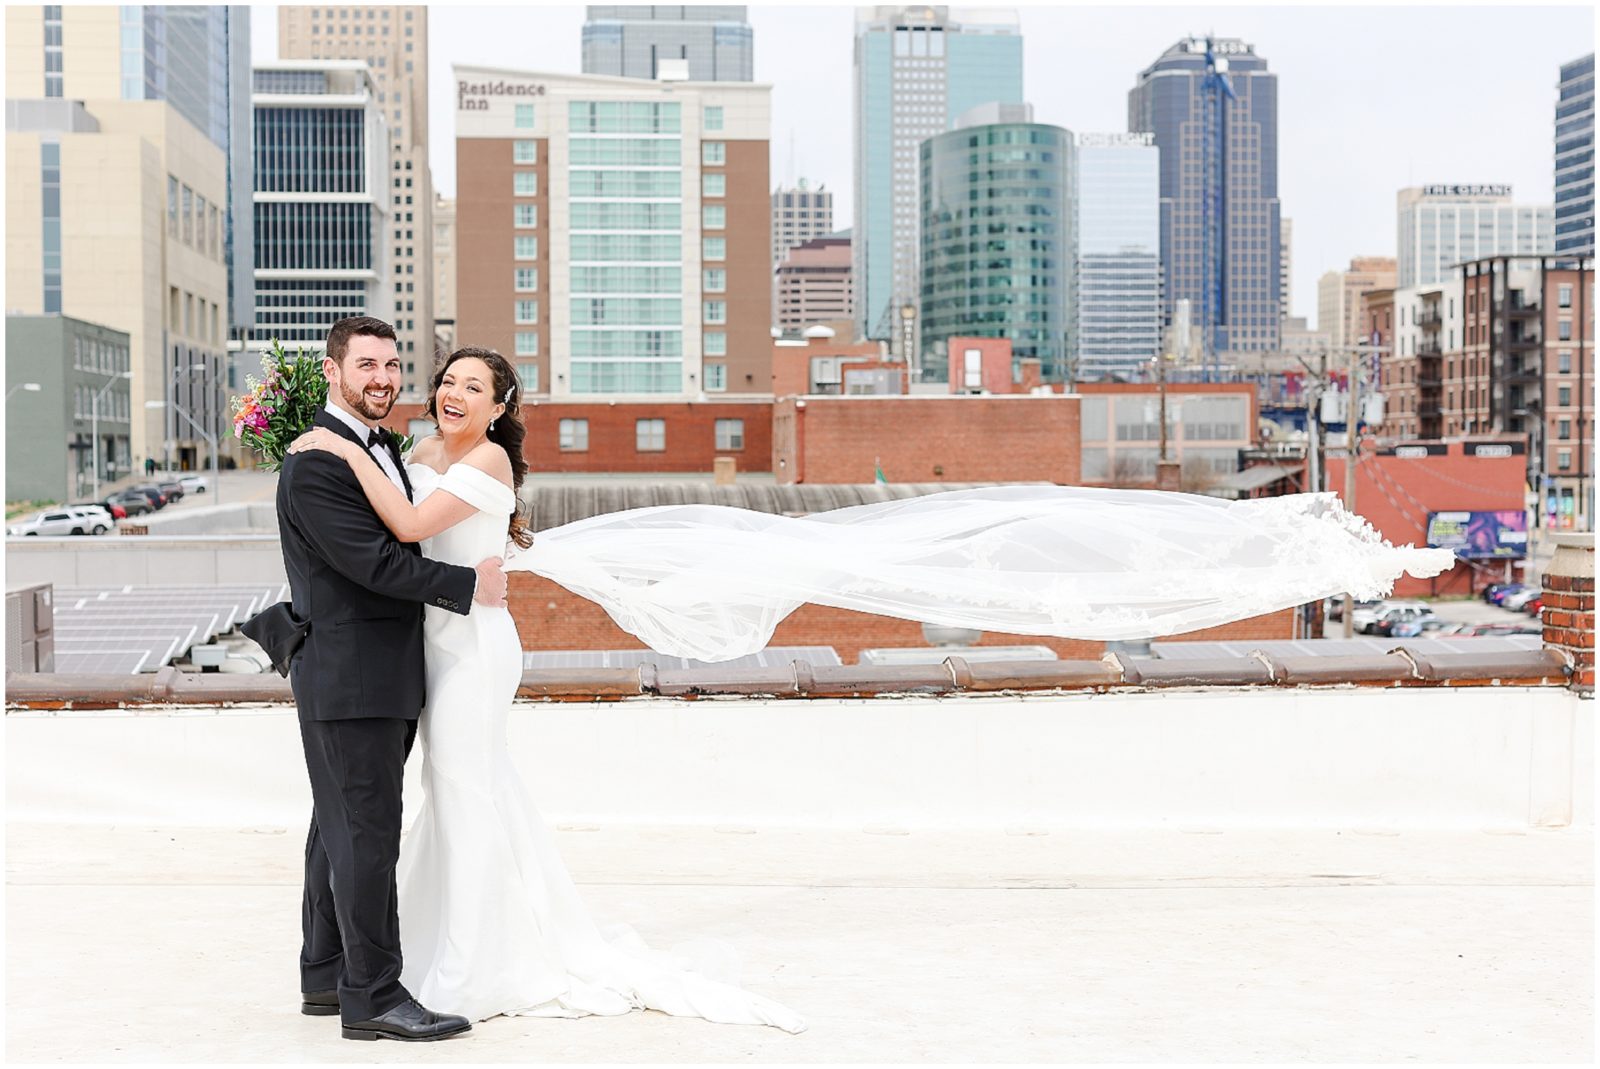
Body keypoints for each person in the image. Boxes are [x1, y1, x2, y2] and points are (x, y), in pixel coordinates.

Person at [286, 346, 809, 1031]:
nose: (456, 393)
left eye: (475, 387)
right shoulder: (414, 447)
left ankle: (476, 962)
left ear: (499, 408)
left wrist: (340, 449)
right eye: (448, 380)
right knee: (450, 796)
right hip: (427, 645)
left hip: (472, 646)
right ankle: (417, 950)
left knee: (467, 789)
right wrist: (340, 451)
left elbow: (410, 527)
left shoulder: (489, 461)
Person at [258, 318, 509, 1043]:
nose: (383, 378)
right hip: (351, 671)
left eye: (393, 364)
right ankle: (371, 994)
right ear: (333, 371)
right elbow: (376, 563)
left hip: (379, 671)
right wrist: (469, 584)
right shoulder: (315, 463)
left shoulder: (380, 447)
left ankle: (324, 968)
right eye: (366, 364)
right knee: (367, 832)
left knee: (337, 823)